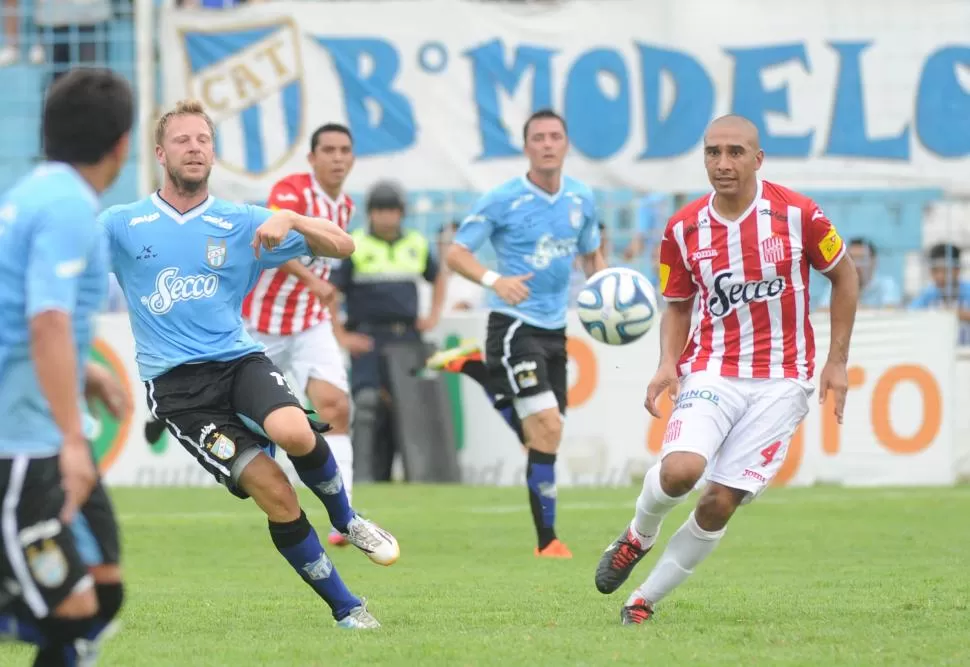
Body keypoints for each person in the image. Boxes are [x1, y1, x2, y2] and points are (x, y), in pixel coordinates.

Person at [99, 99, 399, 630]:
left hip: (239, 361)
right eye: (183, 140)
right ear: (159, 153)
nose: (194, 148)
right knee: (277, 494)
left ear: (213, 153)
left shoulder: (239, 220)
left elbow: (345, 244)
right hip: (180, 392)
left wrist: (290, 217)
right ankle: (348, 608)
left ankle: (348, 519)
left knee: (295, 431)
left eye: (203, 140)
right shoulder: (124, 223)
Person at [593, 114, 860, 624]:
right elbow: (676, 304)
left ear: (758, 159)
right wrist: (666, 362)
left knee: (718, 502)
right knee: (680, 471)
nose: (723, 163)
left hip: (783, 379)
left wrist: (837, 361)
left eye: (735, 152)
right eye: (713, 152)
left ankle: (643, 600)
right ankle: (637, 536)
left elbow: (845, 278)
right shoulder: (683, 228)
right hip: (712, 368)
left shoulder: (800, 215)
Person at [0, 67, 133, 664]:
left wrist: (85, 372)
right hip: (21, 440)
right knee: (71, 610)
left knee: (103, 587)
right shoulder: (69, 209)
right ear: (122, 145)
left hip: (39, 428)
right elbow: (46, 319)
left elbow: (21, 309)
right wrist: (77, 439)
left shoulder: (31, 194)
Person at [441, 109, 607, 558]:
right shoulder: (502, 199)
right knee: (547, 427)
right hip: (514, 327)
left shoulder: (581, 198)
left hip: (556, 329)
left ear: (566, 144)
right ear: (527, 146)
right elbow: (456, 253)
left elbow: (592, 256)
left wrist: (606, 293)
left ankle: (480, 371)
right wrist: (496, 281)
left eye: (556, 136)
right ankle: (547, 542)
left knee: (543, 435)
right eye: (539, 137)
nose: (548, 144)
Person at [239, 123, 358, 548]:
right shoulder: (292, 191)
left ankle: (346, 519)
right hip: (260, 323)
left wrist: (317, 292)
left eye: (344, 150)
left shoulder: (344, 206)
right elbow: (273, 238)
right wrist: (311, 279)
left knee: (336, 408)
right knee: (253, 420)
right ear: (312, 158)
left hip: (309, 322)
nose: (337, 157)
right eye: (328, 149)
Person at [329, 181, 445, 483]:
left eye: (391, 210)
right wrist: (341, 336)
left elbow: (438, 276)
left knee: (407, 407)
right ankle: (363, 478)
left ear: (401, 213)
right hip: (368, 337)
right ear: (370, 214)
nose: (385, 217)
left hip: (407, 338)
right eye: (379, 210)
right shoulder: (354, 243)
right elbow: (330, 292)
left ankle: (413, 477)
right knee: (367, 404)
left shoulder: (417, 243)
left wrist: (433, 315)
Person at [814, 237, 901, 310]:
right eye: (851, 259)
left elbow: (891, 311)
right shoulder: (836, 286)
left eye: (861, 259)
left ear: (873, 261)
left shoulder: (887, 284)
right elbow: (821, 311)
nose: (856, 265)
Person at [909, 243, 970, 345]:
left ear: (957, 269)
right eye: (935, 271)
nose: (939, 276)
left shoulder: (967, 291)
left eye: (945, 270)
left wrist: (960, 314)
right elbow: (910, 315)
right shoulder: (928, 294)